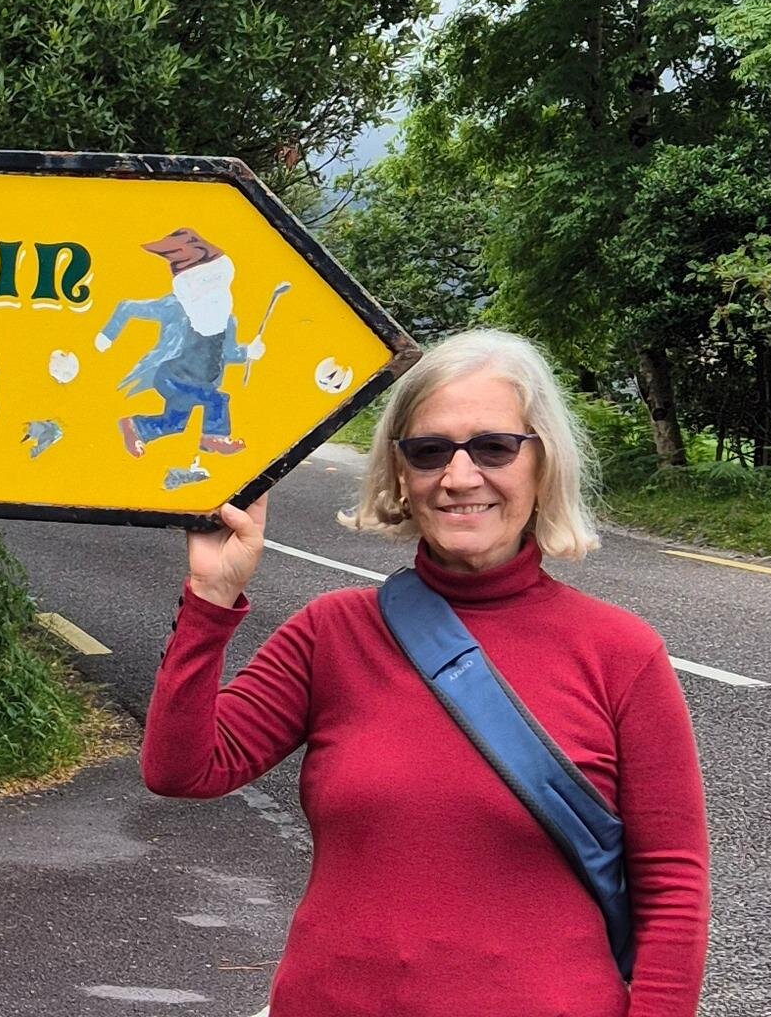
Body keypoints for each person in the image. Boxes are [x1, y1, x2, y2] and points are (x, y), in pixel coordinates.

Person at [141, 328, 710, 1017]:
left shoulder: (620, 653)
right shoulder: (331, 633)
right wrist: (211, 598)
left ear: (543, 464)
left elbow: (672, 886)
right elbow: (182, 769)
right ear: (401, 474)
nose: (460, 477)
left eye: (495, 447)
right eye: (430, 451)